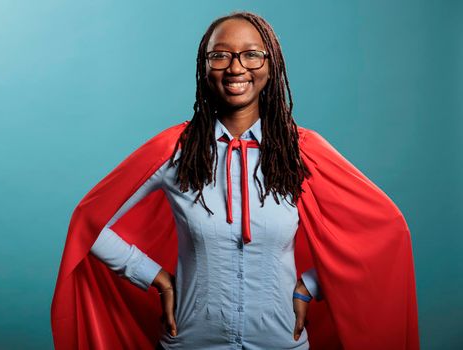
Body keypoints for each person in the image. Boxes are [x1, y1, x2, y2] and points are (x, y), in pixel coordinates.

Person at [51, 11, 420, 350]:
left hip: (281, 341)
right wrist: (153, 276)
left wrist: (312, 284)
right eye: (220, 55)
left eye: (251, 55)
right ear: (204, 66)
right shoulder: (174, 149)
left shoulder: (302, 151)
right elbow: (89, 223)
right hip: (191, 341)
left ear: (270, 65)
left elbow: (383, 231)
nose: (236, 68)